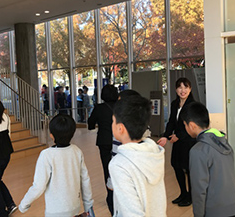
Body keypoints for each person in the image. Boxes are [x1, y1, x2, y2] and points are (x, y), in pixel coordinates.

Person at [18, 114, 94, 216]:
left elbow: (39, 186)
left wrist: (24, 204)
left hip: (55, 211)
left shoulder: (46, 155)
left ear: (51, 135)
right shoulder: (77, 151)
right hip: (74, 208)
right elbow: (85, 180)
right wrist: (88, 205)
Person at [109, 95, 167, 217]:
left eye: (113, 121)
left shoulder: (119, 164)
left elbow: (132, 213)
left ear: (120, 128)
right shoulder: (153, 152)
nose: (112, 124)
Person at [181, 102, 235, 217]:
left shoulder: (197, 151)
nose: (185, 128)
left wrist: (198, 214)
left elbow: (199, 190)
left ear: (192, 125)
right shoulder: (224, 142)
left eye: (185, 125)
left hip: (215, 212)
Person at [157, 77, 196, 206]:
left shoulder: (193, 105)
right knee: (176, 165)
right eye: (180, 87)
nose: (182, 90)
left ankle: (190, 196)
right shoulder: (174, 104)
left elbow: (192, 125)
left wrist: (178, 136)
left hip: (189, 141)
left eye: (185, 87)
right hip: (177, 141)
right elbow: (172, 122)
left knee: (188, 169)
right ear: (176, 89)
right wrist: (166, 136)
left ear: (190, 89)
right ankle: (183, 193)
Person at [88, 84, 118, 215]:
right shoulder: (120, 107)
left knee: (107, 169)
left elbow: (90, 124)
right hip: (120, 140)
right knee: (120, 167)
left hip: (104, 142)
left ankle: (110, 196)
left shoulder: (99, 108)